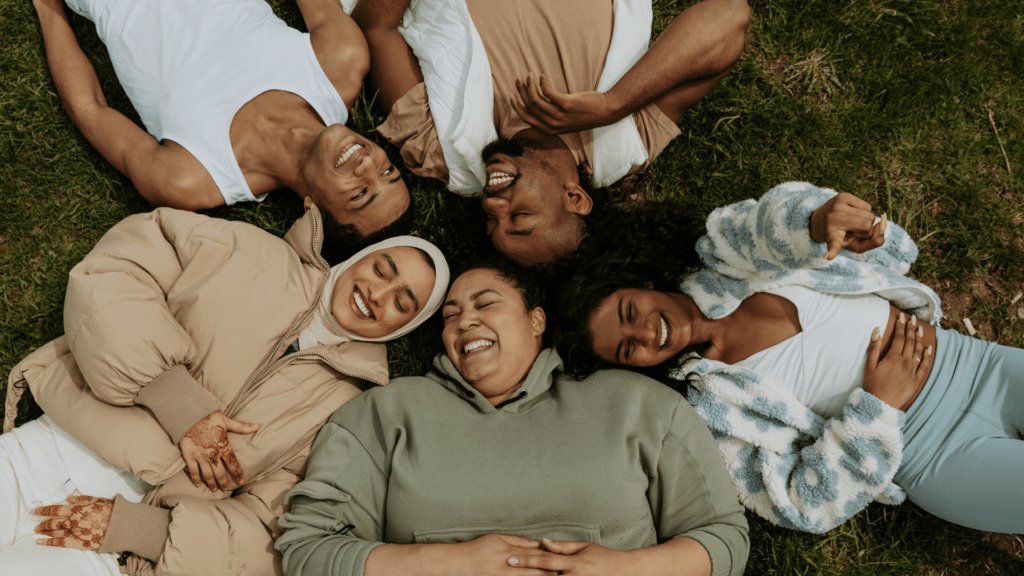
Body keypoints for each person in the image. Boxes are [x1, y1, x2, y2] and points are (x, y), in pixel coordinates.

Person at [551, 181, 1024, 534]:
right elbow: (803, 503)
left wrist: (816, 222)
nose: (646, 333)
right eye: (627, 348)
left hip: (980, 365)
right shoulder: (710, 414)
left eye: (630, 312)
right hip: (934, 455)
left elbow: (772, 222)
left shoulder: (726, 259)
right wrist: (879, 408)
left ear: (641, 283)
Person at [1, 205, 449, 576]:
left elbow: (281, 528)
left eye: (402, 301)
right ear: (362, 256)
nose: (377, 293)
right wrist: (176, 400)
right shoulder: (249, 252)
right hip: (46, 452)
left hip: (110, 548)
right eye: (382, 269)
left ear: (405, 325)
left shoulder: (354, 408)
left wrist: (143, 532)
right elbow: (119, 269)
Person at [275, 261, 749, 576]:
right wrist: (452, 562)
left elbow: (724, 539)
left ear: (536, 320)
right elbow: (306, 551)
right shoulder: (383, 413)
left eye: (485, 304)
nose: (464, 321)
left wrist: (626, 568)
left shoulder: (640, 405)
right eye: (450, 315)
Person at [353, 0, 751, 266]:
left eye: (492, 223)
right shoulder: (627, 137)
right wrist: (614, 103)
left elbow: (377, 28)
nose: (492, 207)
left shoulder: (438, 148)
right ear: (575, 197)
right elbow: (729, 16)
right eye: (519, 216)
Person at [34, 0, 413, 254]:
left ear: (312, 211)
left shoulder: (191, 178)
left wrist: (48, 10)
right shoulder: (340, 63)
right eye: (387, 171)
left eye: (360, 194)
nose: (367, 165)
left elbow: (90, 110)